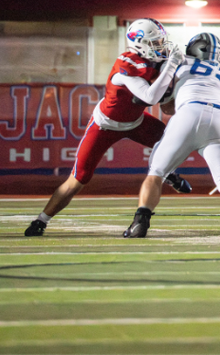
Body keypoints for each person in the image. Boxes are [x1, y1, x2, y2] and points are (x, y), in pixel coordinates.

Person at [23, 18, 191, 237]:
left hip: (136, 121)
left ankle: (167, 172)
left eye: (161, 41)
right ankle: (41, 220)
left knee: (175, 140)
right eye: (155, 42)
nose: (161, 46)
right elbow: (150, 97)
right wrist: (171, 66)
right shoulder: (126, 66)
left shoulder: (155, 61)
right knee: (78, 179)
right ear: (139, 44)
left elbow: (167, 101)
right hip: (105, 125)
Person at [122, 33, 220, 239]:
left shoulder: (179, 63)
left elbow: (165, 105)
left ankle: (139, 223)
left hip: (188, 112)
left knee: (157, 172)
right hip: (219, 119)